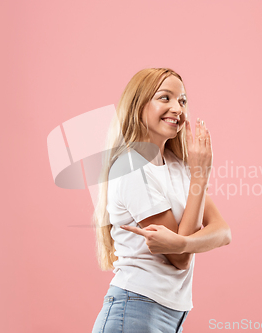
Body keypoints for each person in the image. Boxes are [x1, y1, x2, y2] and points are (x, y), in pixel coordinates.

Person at [91, 68, 232, 333]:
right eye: (164, 98)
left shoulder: (178, 166)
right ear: (138, 105)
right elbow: (179, 260)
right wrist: (200, 177)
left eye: (182, 100)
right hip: (135, 310)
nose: (177, 108)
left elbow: (223, 232)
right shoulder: (132, 167)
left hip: (167, 314)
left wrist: (184, 242)